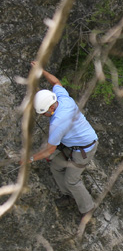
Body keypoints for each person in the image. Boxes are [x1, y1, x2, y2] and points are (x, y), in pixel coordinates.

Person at [27, 61, 99, 217]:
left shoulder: (58, 123)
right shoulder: (62, 98)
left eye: (43, 112)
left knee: (72, 180)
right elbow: (55, 82)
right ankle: (69, 195)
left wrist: (30, 158)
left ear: (51, 108)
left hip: (84, 149)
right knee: (55, 166)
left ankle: (88, 209)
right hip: (76, 143)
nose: (42, 115)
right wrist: (41, 70)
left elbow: (49, 150)